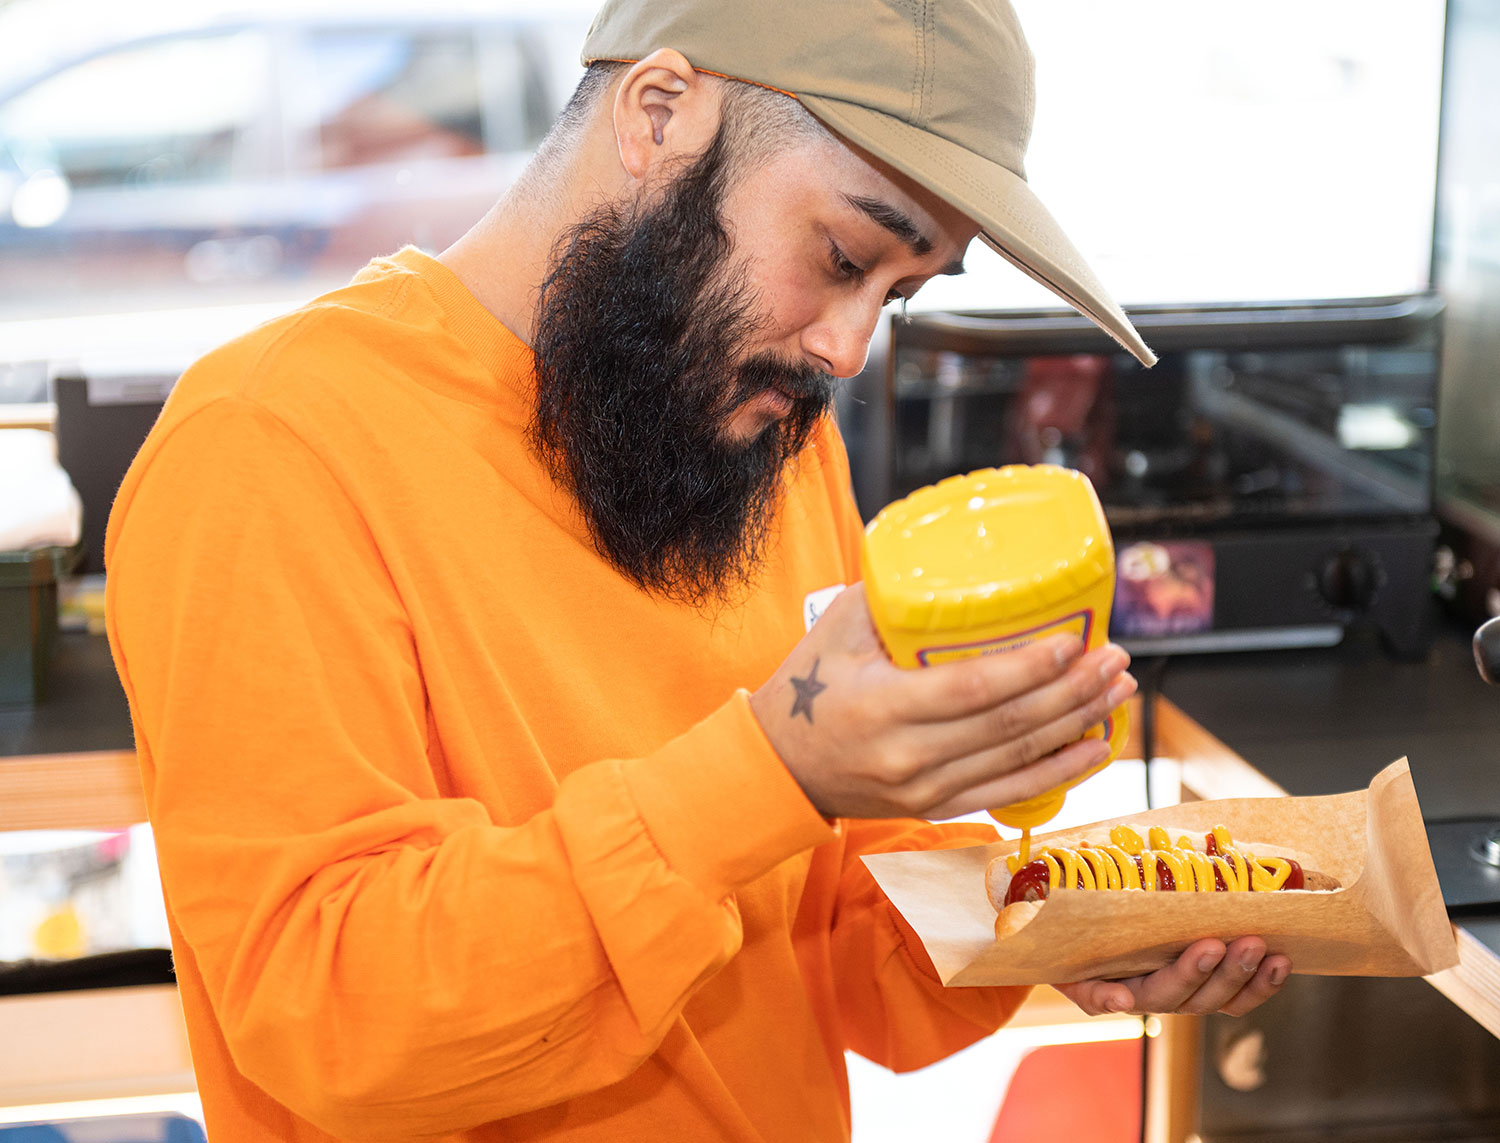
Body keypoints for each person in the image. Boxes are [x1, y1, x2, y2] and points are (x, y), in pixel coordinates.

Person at [104, 0, 1290, 1139]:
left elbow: (831, 931)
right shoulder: (270, 443)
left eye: (900, 294)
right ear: (659, 112)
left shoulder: (766, 436)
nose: (848, 348)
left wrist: (1053, 920)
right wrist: (773, 771)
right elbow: (333, 1016)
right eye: (842, 255)